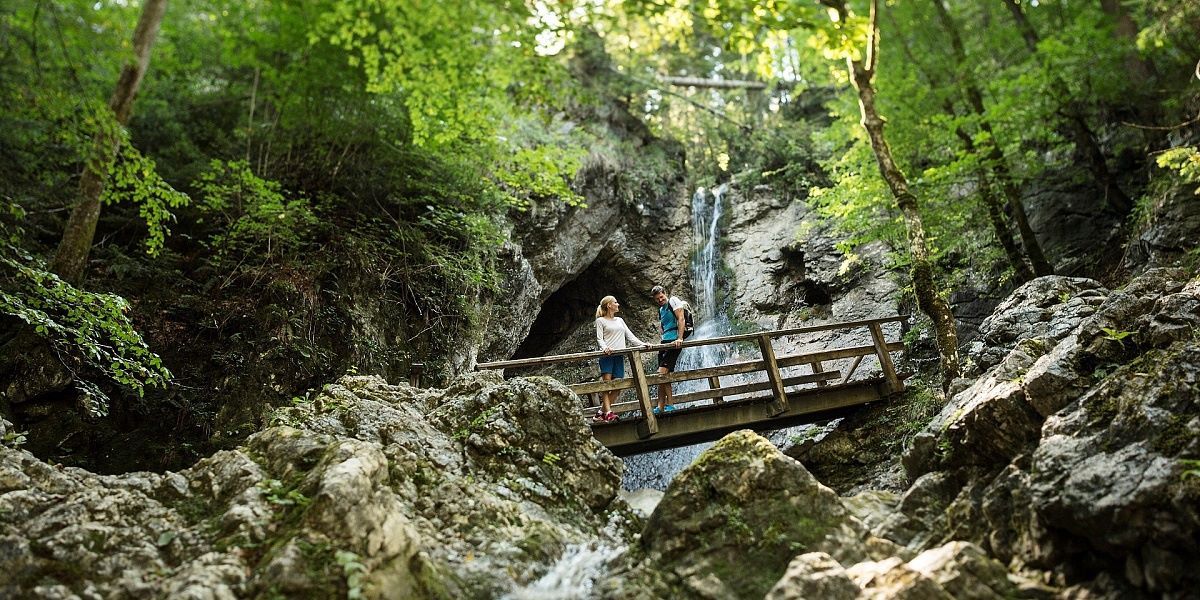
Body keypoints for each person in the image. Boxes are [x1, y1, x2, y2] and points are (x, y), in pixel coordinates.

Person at [594, 295, 647, 422]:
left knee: (618, 386)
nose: (618, 304)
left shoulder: (620, 320)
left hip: (619, 355)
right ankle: (609, 413)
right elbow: (600, 338)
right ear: (609, 305)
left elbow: (630, 336)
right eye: (616, 302)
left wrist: (643, 344)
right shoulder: (600, 321)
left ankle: (601, 412)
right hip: (607, 355)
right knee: (607, 385)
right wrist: (605, 348)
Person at [650, 284, 690, 413]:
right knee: (663, 375)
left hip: (674, 342)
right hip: (664, 342)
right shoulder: (661, 310)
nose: (660, 300)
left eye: (661, 297)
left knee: (661, 373)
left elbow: (681, 318)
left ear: (665, 293)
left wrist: (680, 338)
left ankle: (670, 404)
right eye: (657, 299)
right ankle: (661, 406)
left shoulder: (673, 301)